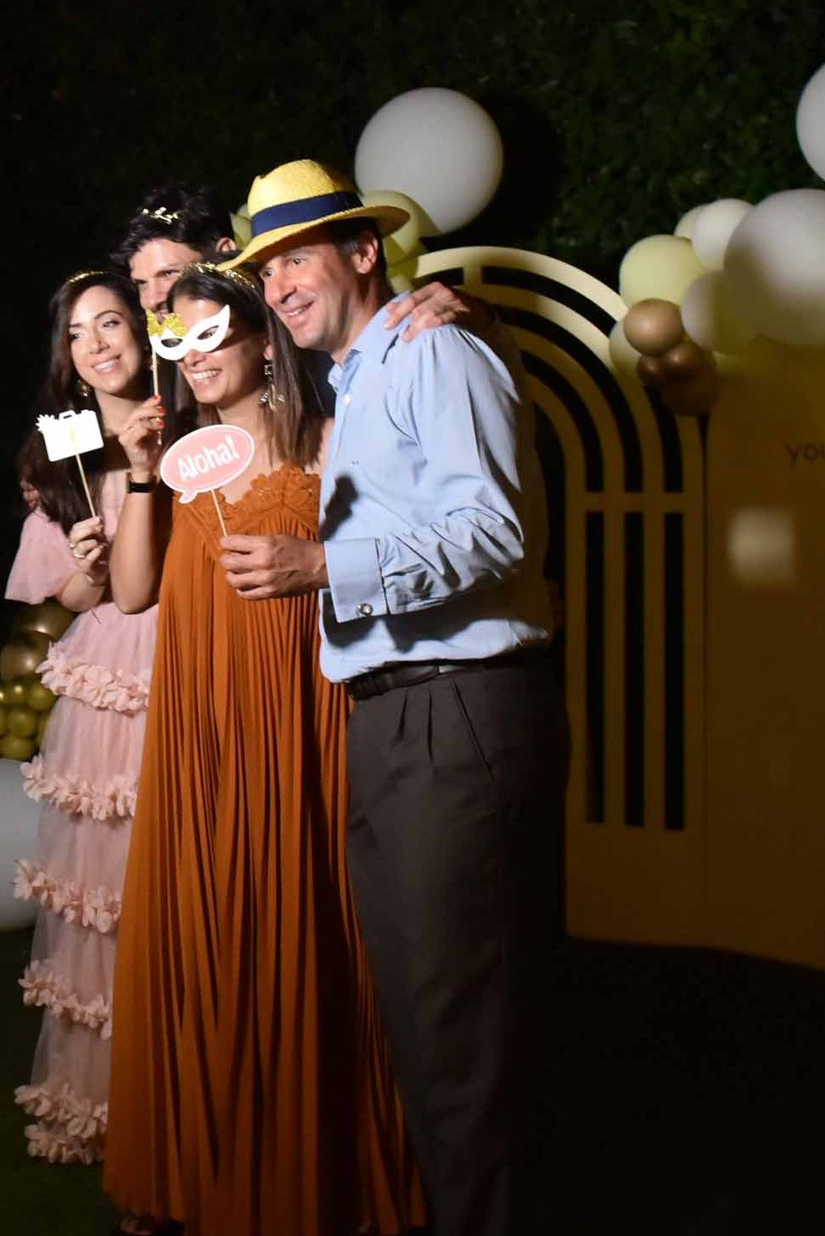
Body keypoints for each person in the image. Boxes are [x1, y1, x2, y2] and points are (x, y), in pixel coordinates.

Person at [226, 158, 564, 1236]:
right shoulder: (361, 377)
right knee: (431, 1023)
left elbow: (494, 530)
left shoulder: (433, 349)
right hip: (396, 715)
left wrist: (320, 567)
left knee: (461, 1031)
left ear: (365, 250)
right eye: (265, 268)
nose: (278, 285)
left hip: (455, 711)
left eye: (297, 257)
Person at [102, 263, 426, 1236]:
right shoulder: (176, 455)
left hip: (306, 723)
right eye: (180, 342)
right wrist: (138, 472)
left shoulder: (329, 443)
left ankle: (321, 1174)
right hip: (201, 732)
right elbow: (129, 594)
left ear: (259, 342)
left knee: (320, 925)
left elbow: (392, 564)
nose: (197, 358)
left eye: (214, 337)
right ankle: (208, 1171)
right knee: (210, 930)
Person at [5, 269, 178, 1167]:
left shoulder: (183, 406)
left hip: (184, 661)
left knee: (176, 889)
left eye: (113, 321)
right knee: (107, 893)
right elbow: (59, 602)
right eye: (79, 333)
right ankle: (108, 1111)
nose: (100, 342)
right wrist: (82, 565)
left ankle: (184, 1109)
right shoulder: (63, 440)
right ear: (66, 360)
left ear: (143, 331)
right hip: (111, 676)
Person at [112, 175, 487, 338]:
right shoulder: (158, 353)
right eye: (141, 283)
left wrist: (478, 315)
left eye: (169, 275)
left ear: (227, 254)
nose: (152, 299)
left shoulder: (299, 320)